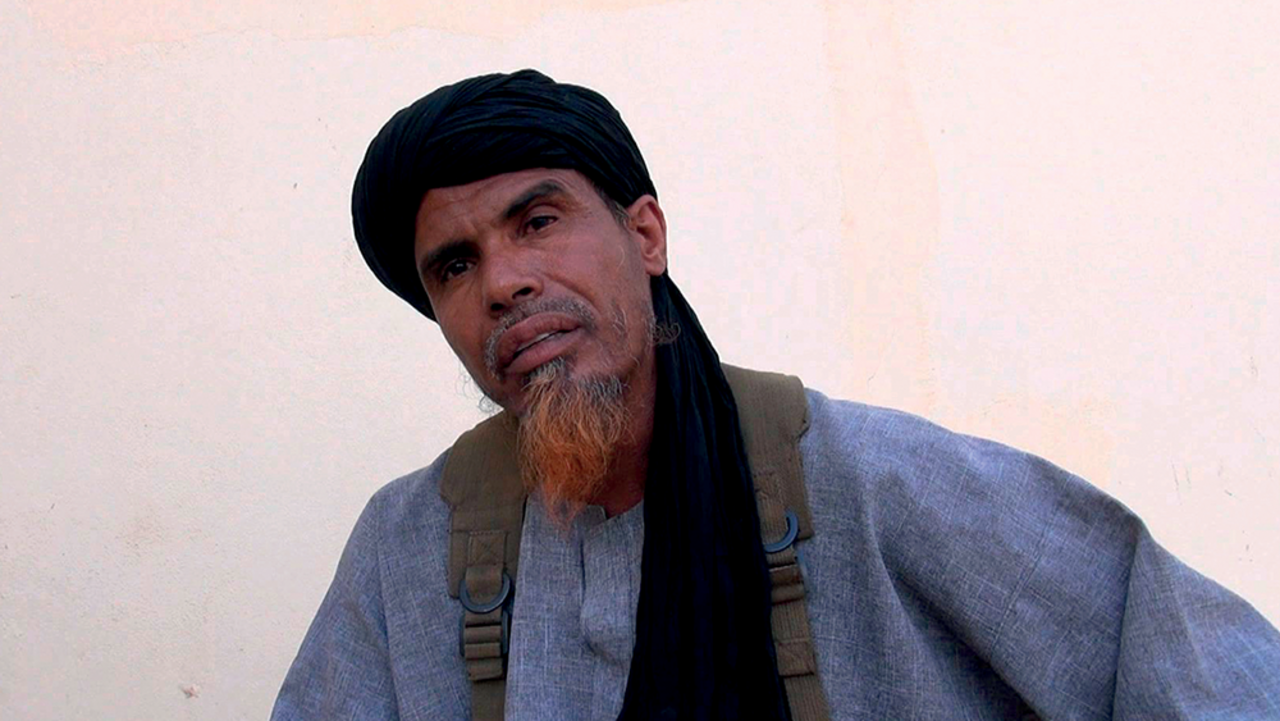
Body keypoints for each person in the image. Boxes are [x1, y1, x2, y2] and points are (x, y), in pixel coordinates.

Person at [272, 70, 1280, 721]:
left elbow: (1188, 658)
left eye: (537, 221)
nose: (502, 282)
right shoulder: (407, 546)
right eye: (453, 266)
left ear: (645, 235)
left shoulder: (859, 477)